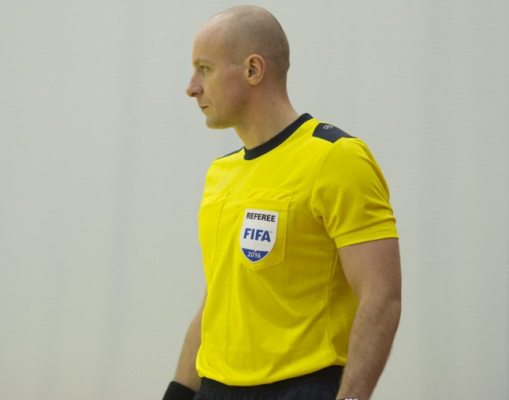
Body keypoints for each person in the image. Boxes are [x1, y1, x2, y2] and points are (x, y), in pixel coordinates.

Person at [162, 6, 401, 400]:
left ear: (253, 70)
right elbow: (217, 299)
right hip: (214, 389)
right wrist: (178, 393)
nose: (192, 87)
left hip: (300, 388)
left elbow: (382, 295)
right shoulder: (220, 173)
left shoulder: (336, 158)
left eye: (204, 69)